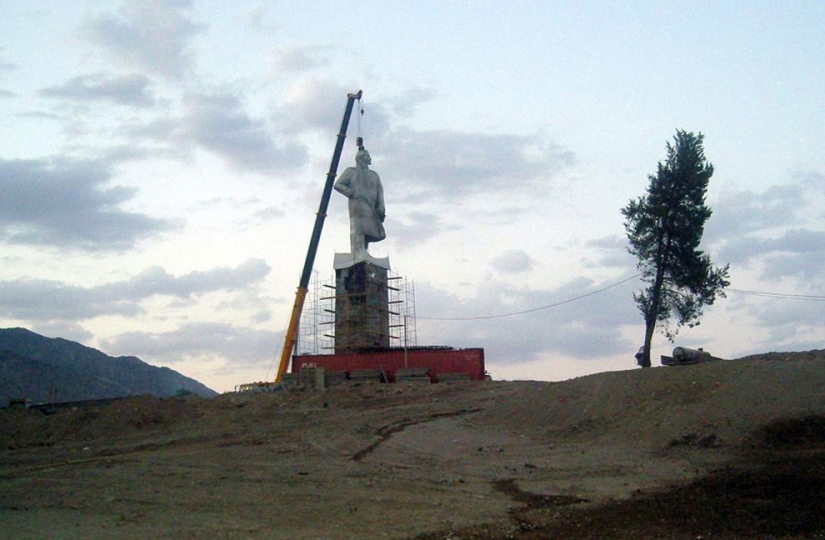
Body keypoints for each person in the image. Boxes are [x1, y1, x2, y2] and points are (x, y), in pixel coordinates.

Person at [334, 148, 386, 262]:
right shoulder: (351, 171)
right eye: (367, 156)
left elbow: (380, 192)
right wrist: (351, 192)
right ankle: (357, 255)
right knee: (359, 229)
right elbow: (338, 184)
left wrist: (381, 207)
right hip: (358, 205)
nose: (370, 158)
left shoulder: (374, 175)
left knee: (369, 229)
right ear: (361, 158)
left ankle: (364, 254)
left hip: (371, 206)